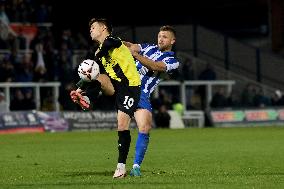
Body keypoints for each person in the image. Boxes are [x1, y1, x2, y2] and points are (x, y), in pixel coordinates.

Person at [69, 18, 141, 178]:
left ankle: (121, 167)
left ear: (103, 28)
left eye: (93, 27)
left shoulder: (113, 41)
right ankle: (87, 99)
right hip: (115, 84)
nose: (90, 30)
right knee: (97, 76)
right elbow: (92, 73)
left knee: (122, 125)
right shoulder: (99, 51)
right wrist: (79, 88)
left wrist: (99, 54)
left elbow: (111, 44)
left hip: (130, 86)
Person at [124, 25, 180, 176]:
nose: (161, 39)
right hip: (124, 84)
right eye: (159, 36)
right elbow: (131, 46)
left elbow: (154, 65)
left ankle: (136, 167)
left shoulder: (172, 61)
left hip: (140, 93)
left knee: (145, 127)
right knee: (103, 78)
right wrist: (114, 42)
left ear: (172, 41)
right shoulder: (148, 47)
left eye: (165, 37)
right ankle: (84, 92)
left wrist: (135, 55)